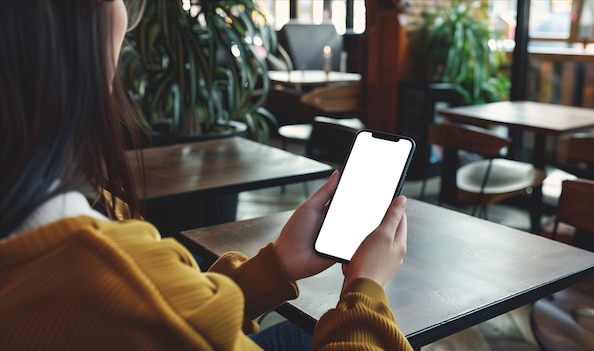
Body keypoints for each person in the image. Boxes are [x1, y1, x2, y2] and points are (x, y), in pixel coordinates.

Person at [0, 1, 412, 350]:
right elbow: (163, 310)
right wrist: (365, 288)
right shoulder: (115, 278)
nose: (127, 15)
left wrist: (278, 265)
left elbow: (181, 316)